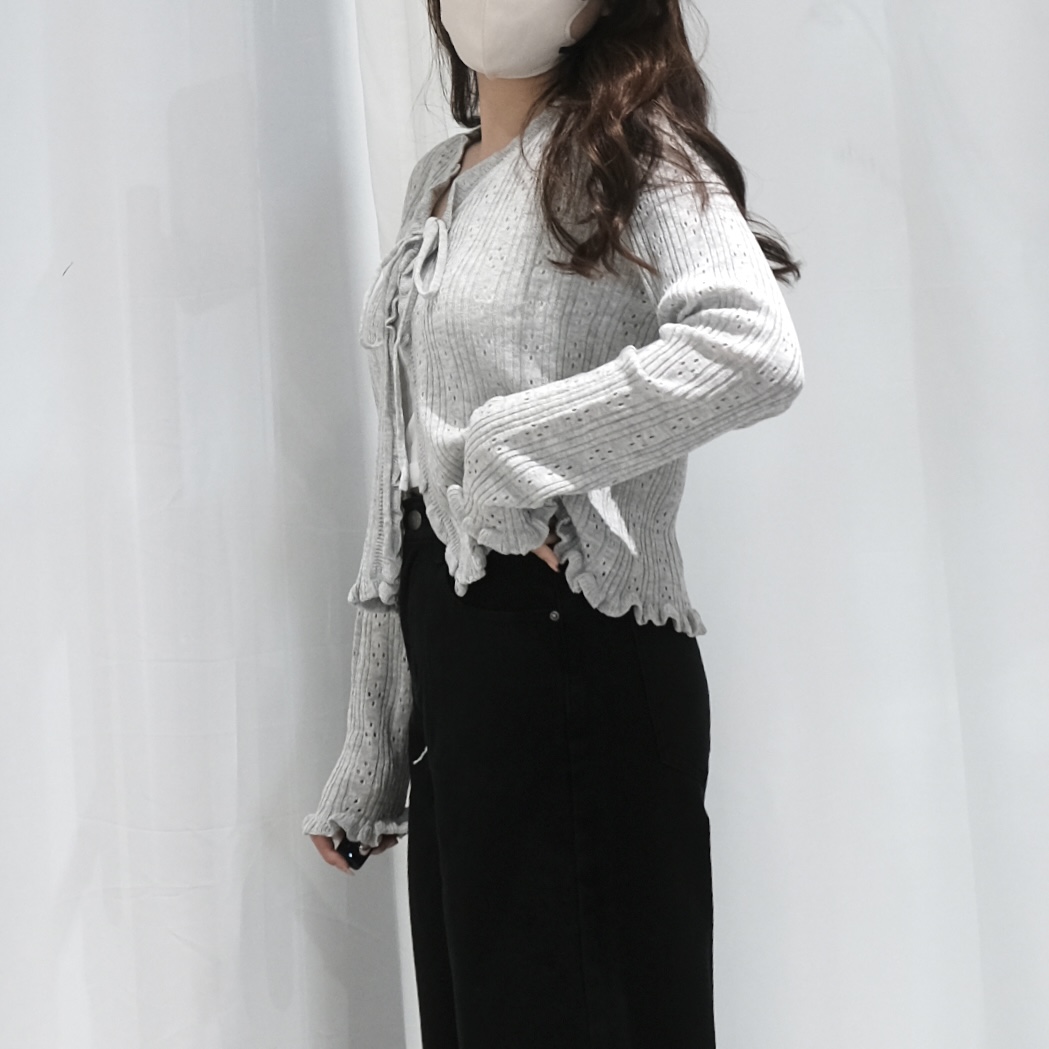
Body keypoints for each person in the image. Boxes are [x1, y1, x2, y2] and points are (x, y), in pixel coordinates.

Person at [305, 0, 804, 1045]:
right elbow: (408, 478)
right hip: (466, 675)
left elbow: (751, 347)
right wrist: (374, 741)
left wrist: (509, 449)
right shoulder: (436, 181)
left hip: (576, 641)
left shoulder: (627, 148)